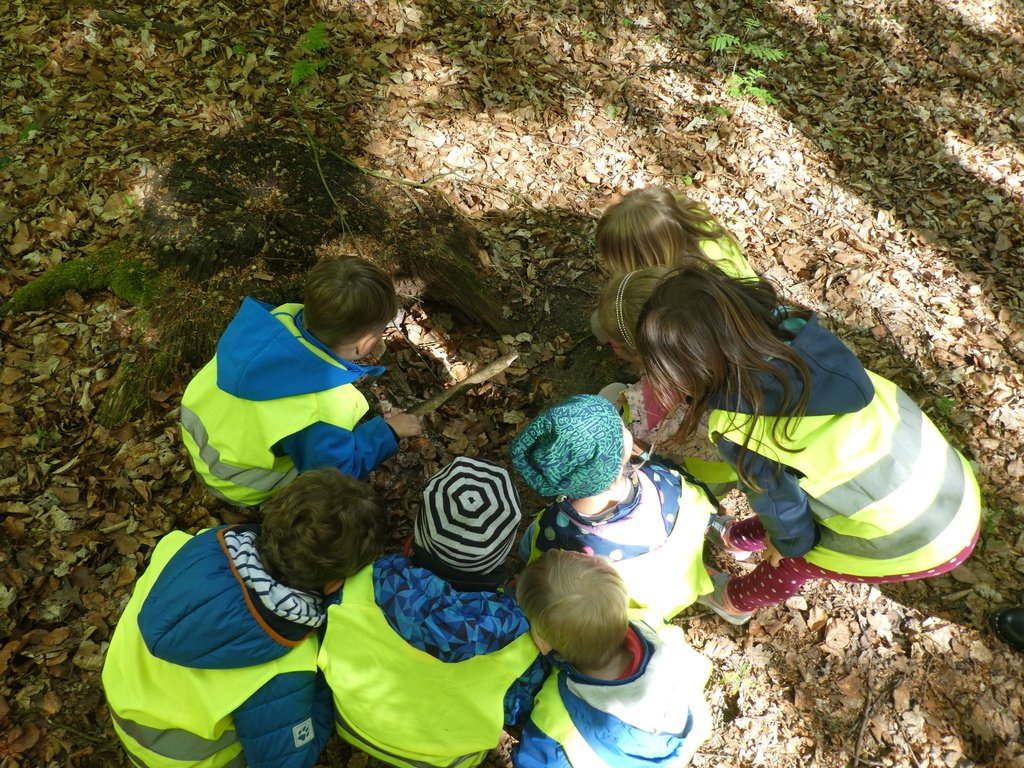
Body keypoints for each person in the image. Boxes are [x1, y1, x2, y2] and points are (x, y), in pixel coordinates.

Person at [636, 265, 982, 624]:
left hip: (918, 537)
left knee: (793, 559)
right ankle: (736, 538)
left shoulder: (744, 427)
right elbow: (786, 492)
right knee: (788, 503)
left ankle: (735, 601)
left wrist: (785, 545)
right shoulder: (807, 342)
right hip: (945, 483)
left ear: (690, 370)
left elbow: (783, 510)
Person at [102, 468, 384, 768]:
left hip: (125, 707)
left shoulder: (181, 547)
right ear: (334, 584)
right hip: (180, 759)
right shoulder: (283, 668)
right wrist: (328, 686)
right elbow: (286, 762)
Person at [318, 457, 546, 768]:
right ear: (500, 557)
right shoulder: (518, 637)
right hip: (446, 758)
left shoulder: (362, 580)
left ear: (416, 535)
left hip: (353, 723)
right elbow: (517, 708)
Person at [180, 256, 422, 507]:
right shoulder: (321, 409)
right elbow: (334, 476)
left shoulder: (275, 320)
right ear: (364, 345)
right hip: (236, 482)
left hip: (199, 441)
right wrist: (387, 433)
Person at [509, 394, 718, 621]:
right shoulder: (665, 479)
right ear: (623, 451)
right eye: (623, 430)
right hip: (679, 587)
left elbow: (546, 577)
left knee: (533, 535)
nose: (628, 431)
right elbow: (701, 505)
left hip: (631, 612)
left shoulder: (556, 533)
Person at [513, 550, 712, 767]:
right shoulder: (651, 626)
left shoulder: (556, 718)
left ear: (543, 643)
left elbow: (534, 761)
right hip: (686, 738)